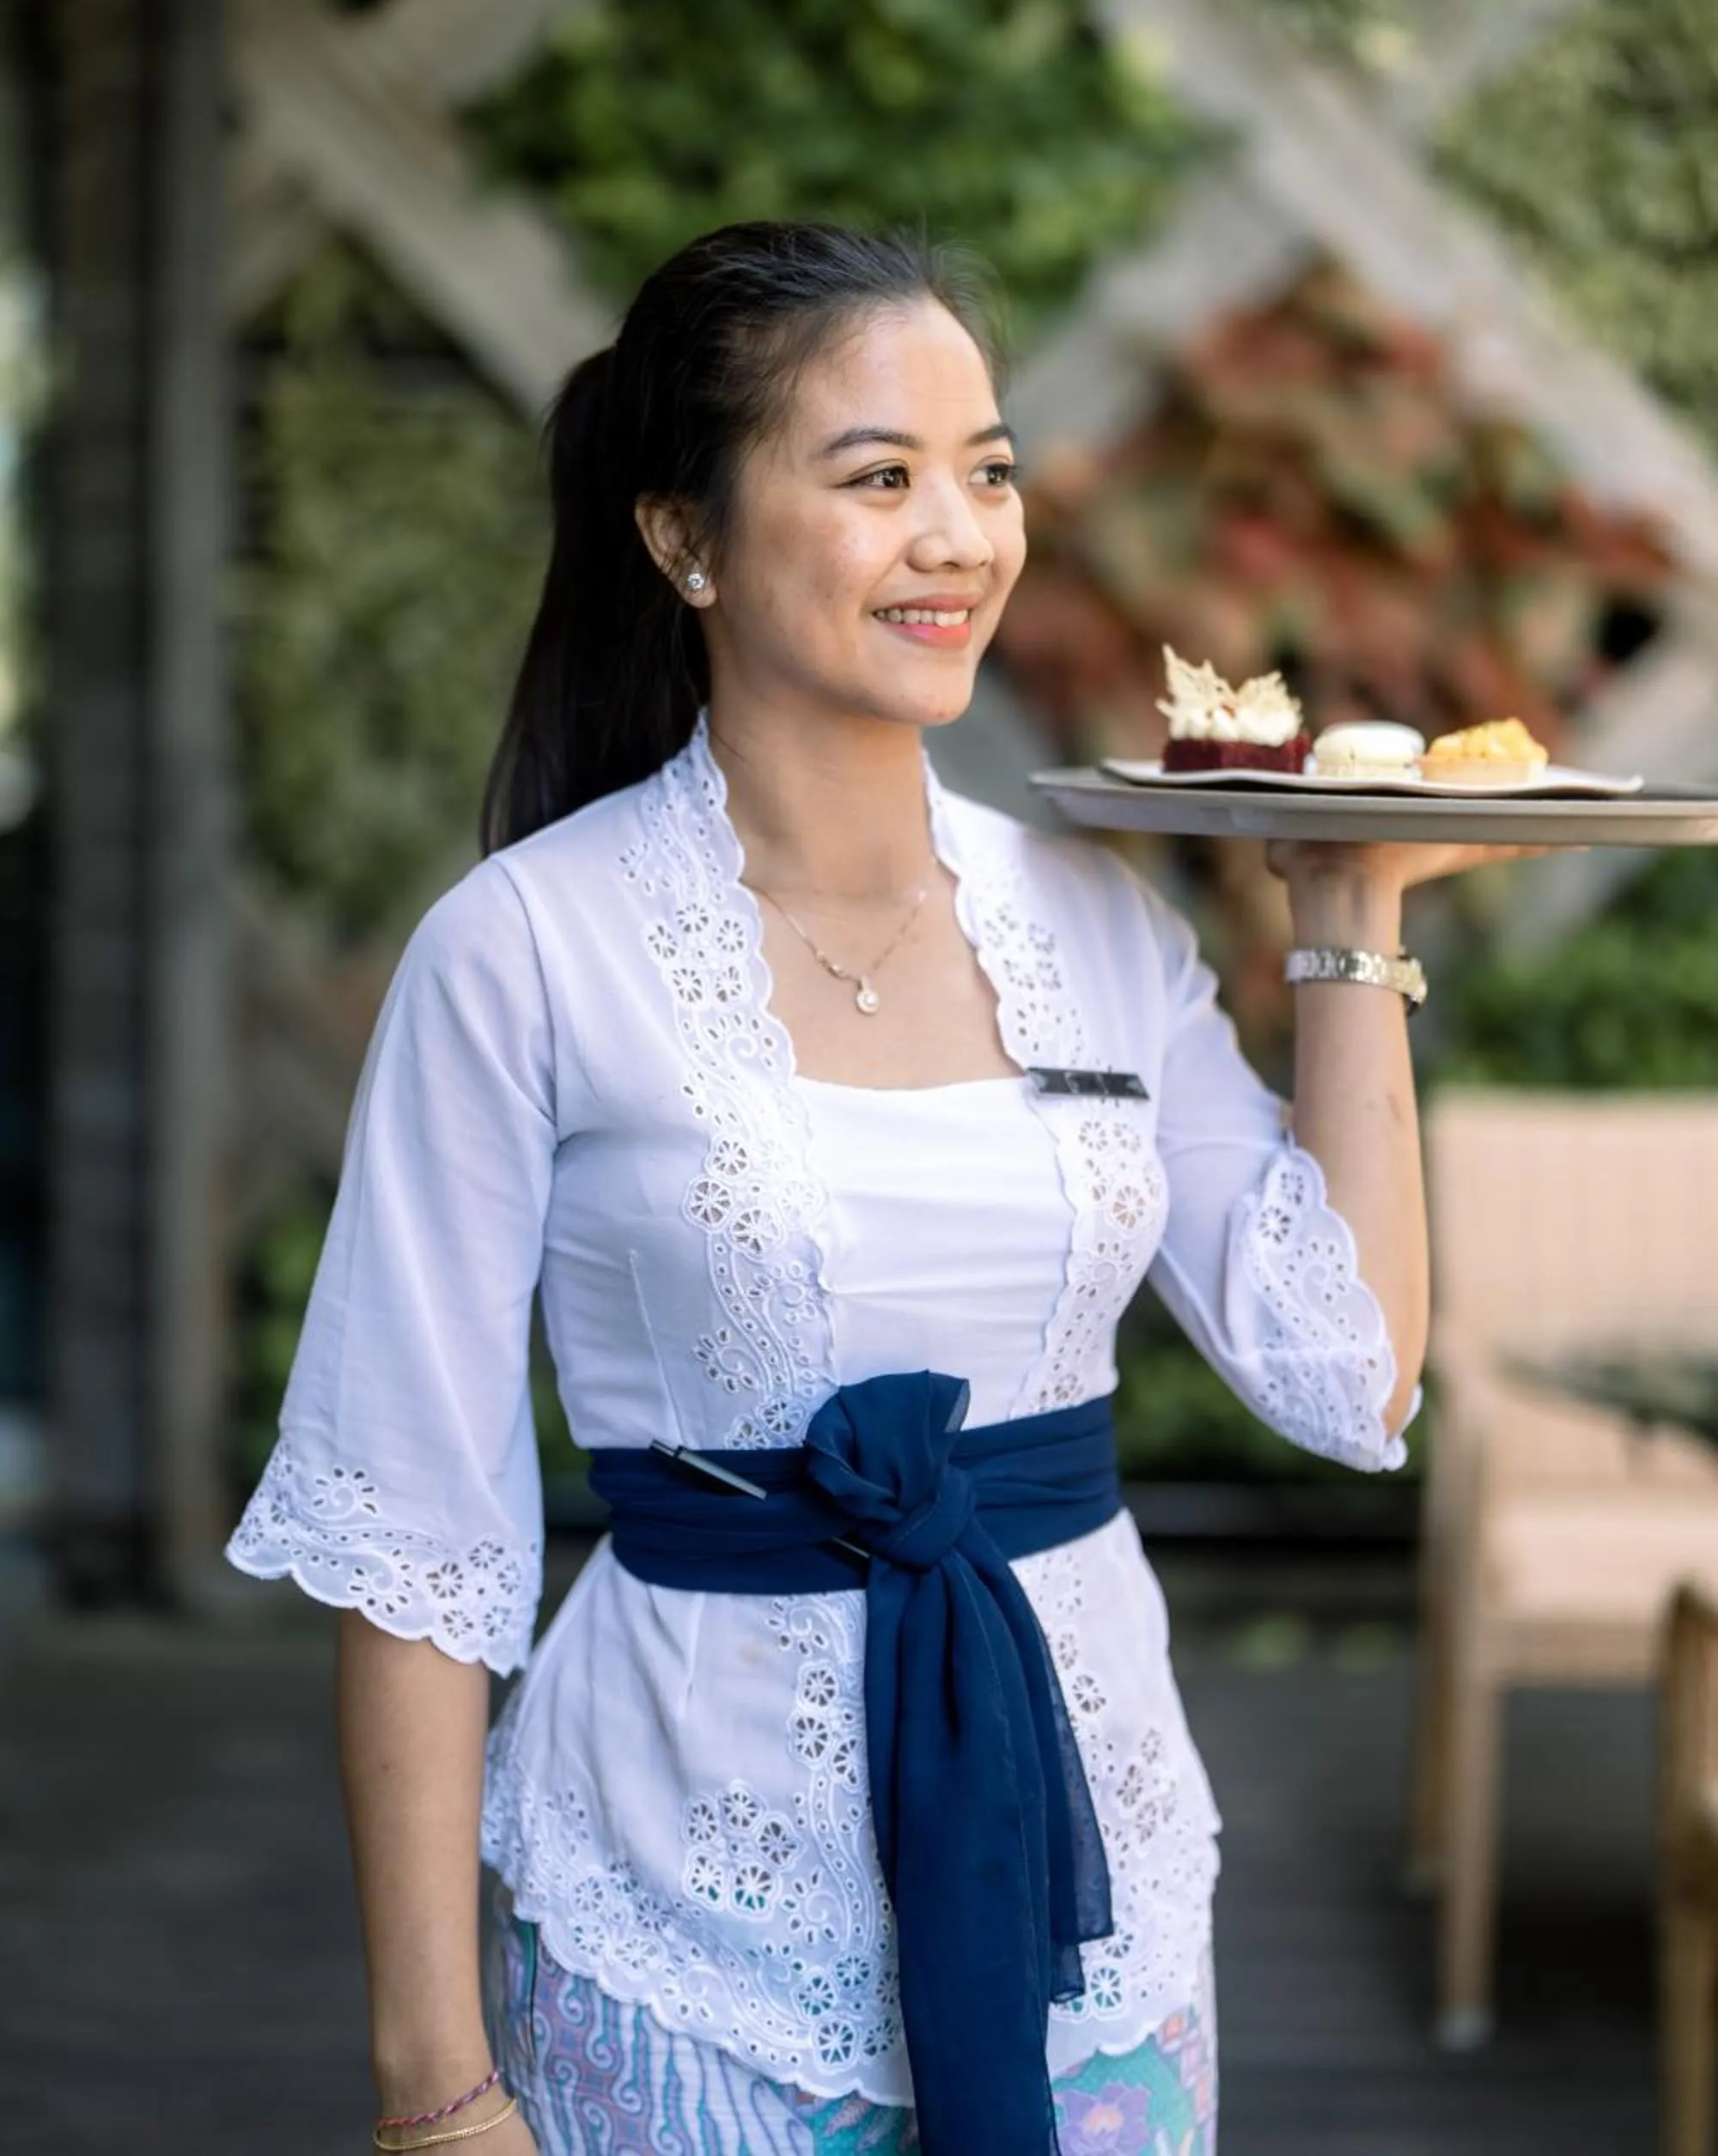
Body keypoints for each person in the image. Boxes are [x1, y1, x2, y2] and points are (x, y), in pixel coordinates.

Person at [228, 220, 1520, 2156]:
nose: (959, 537)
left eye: (987, 473)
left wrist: (1342, 916)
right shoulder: (522, 950)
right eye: (877, 477)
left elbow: (1346, 1384)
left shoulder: (1096, 914)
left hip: (1098, 1890)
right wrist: (436, 2091)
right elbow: (414, 1534)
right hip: (678, 1916)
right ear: (684, 539)